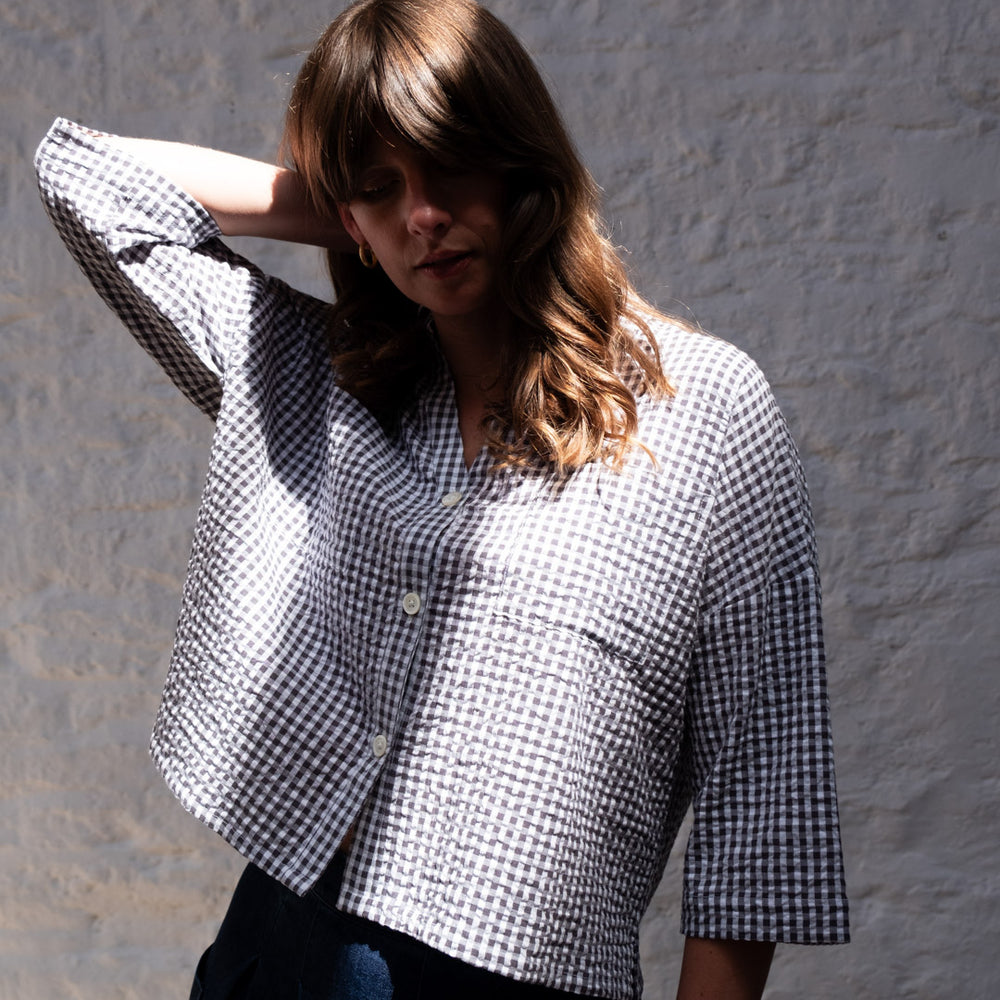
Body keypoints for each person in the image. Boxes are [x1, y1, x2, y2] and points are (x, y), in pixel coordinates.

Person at [34, 0, 849, 997]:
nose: (423, 215)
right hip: (279, 949)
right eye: (380, 185)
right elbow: (85, 180)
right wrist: (351, 215)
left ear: (517, 154)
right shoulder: (324, 381)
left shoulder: (705, 412)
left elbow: (760, 798)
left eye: (448, 163)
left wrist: (384, 204)